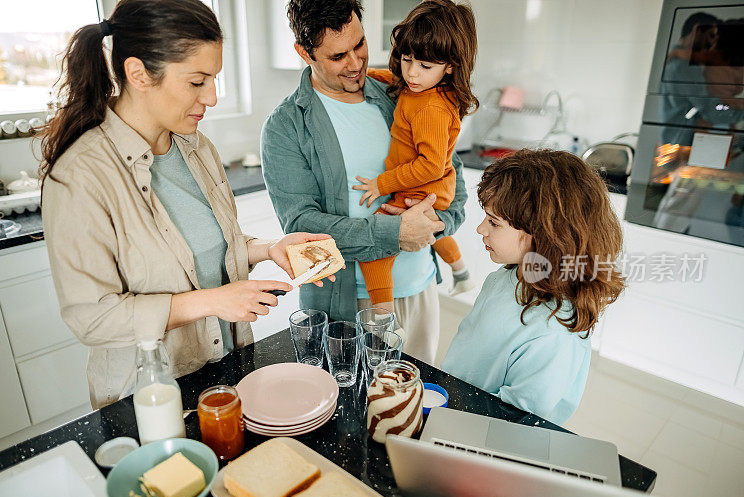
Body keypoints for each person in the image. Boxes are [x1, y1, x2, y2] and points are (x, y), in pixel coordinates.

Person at [40, 0, 331, 409]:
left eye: (214, 79)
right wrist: (215, 300)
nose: (211, 98)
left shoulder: (196, 147)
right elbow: (93, 318)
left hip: (225, 368)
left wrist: (268, 250)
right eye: (197, 82)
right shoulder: (80, 175)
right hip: (149, 395)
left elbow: (204, 248)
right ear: (138, 73)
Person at [261, 0, 467, 364]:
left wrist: (436, 224)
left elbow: (452, 181)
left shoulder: (401, 94)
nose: (356, 64)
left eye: (360, 45)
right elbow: (301, 228)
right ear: (304, 53)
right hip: (343, 305)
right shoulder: (285, 126)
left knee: (411, 411)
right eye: (338, 56)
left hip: (419, 289)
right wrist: (394, 233)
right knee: (348, 414)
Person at [441, 150, 625, 425]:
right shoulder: (509, 276)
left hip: (485, 429)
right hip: (456, 404)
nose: (480, 229)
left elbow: (516, 418)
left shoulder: (554, 330)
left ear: (545, 235)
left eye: (493, 222)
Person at [353, 0, 478, 312]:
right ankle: (461, 272)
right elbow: (403, 81)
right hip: (432, 190)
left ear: (450, 66)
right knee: (431, 231)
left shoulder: (431, 109)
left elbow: (430, 165)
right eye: (406, 59)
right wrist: (369, 75)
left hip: (420, 189)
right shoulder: (423, 88)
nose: (411, 73)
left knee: (374, 248)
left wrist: (382, 184)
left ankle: (381, 318)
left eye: (424, 66)